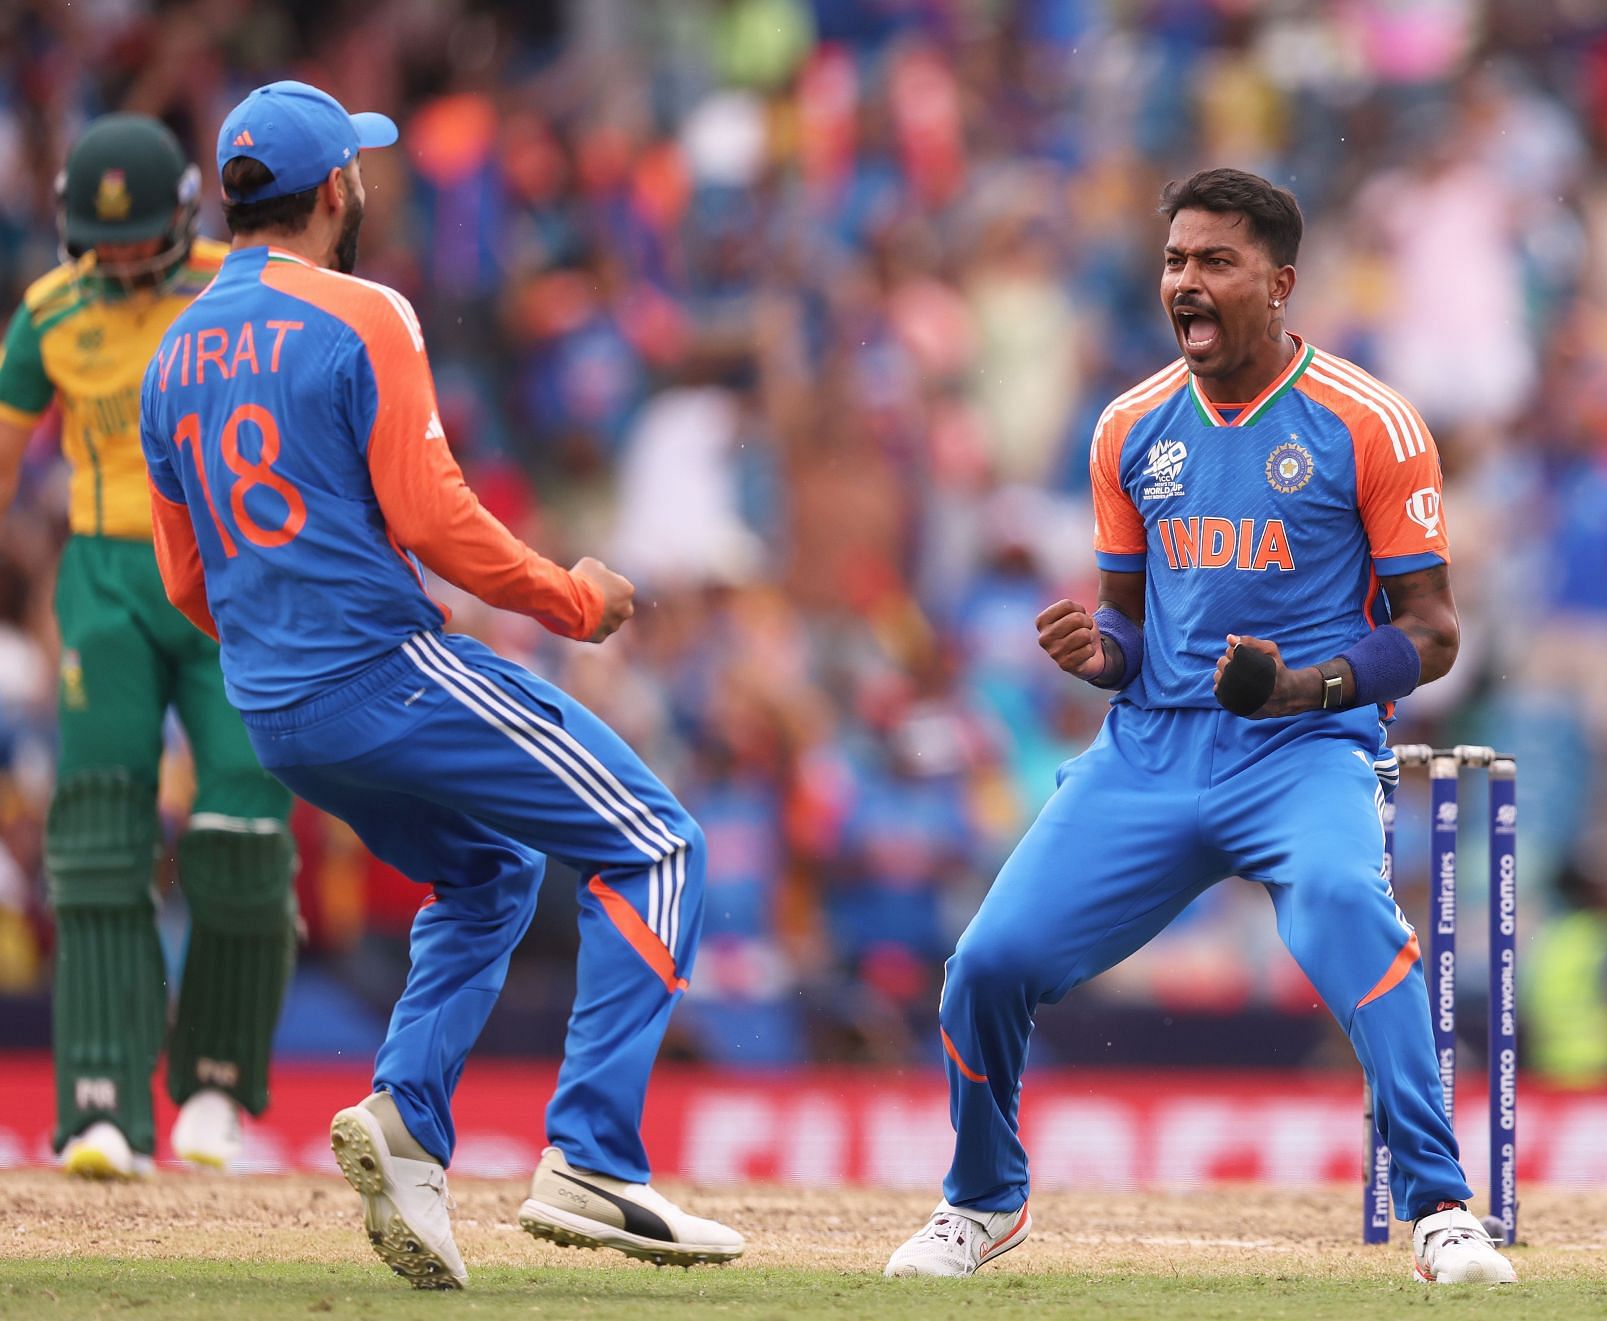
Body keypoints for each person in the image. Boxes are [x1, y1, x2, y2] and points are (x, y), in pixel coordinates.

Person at [139, 81, 741, 1290]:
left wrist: (290, 633)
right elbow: (436, 518)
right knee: (659, 844)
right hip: (378, 670)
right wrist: (573, 600)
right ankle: (593, 1156)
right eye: (356, 167)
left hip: (275, 705)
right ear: (333, 191)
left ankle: (409, 1123)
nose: (366, 182)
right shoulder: (365, 313)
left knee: (490, 870)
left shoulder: (170, 357)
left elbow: (190, 582)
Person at [884, 168, 1516, 1286]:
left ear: (1278, 284)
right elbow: (1131, 630)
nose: (1187, 282)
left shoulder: (1369, 422)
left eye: (1215, 262)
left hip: (1307, 752)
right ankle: (982, 1200)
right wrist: (1100, 654)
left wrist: (1301, 686)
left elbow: (1432, 635)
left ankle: (1440, 1210)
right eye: (1176, 260)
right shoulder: (1130, 426)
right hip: (1151, 752)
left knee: (1339, 905)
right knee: (985, 963)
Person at [0, 114, 295, 1178]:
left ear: (183, 218)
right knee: (97, 837)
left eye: (139, 242)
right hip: (110, 581)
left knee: (244, 830)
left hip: (234, 580)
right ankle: (98, 1104)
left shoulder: (252, 285)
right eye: (101, 245)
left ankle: (216, 1083)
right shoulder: (47, 318)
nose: (121, 262)